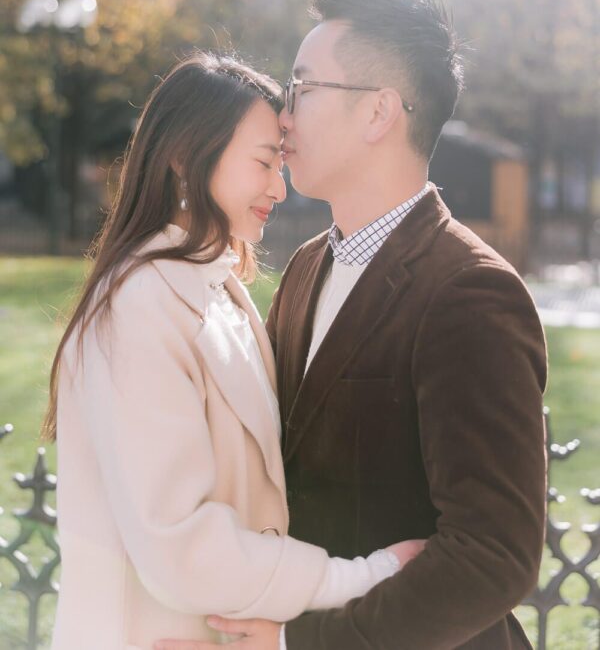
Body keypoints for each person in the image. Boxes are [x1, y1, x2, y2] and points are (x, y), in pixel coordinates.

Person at [158, 0, 547, 650]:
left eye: (302, 89)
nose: (282, 115)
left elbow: (493, 556)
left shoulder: (471, 293)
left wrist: (296, 643)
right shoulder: (307, 267)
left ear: (379, 113)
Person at [46, 52, 425, 650]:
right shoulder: (139, 305)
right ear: (182, 157)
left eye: (280, 161)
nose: (279, 186)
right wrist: (361, 579)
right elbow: (181, 544)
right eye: (262, 162)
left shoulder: (219, 290)